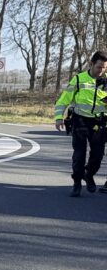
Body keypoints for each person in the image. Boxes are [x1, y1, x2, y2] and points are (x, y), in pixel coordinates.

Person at [55, 51, 107, 197]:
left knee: (97, 156)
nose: (101, 71)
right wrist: (59, 117)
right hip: (80, 121)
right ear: (91, 64)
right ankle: (77, 182)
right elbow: (63, 100)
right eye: (99, 67)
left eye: (104, 68)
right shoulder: (79, 79)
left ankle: (88, 175)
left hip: (99, 123)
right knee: (79, 155)